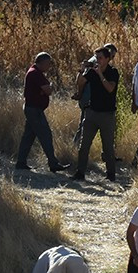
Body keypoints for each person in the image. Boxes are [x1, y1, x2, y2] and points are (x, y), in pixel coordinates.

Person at [14, 52, 70, 173]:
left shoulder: (34, 72)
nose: (49, 66)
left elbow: (45, 90)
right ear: (43, 62)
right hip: (34, 110)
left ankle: (21, 162)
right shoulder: (36, 73)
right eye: (48, 64)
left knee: (28, 137)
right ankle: (53, 163)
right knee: (46, 135)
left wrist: (45, 90)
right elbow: (48, 90)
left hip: (32, 109)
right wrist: (48, 88)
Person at [71, 46, 120, 182]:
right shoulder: (92, 72)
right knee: (84, 146)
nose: (98, 61)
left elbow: (110, 88)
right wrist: (82, 70)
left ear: (108, 59)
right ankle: (80, 172)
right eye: (96, 58)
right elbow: (81, 82)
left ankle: (111, 175)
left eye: (100, 58)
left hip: (107, 115)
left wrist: (100, 74)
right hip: (91, 113)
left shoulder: (113, 72)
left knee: (108, 148)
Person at [73, 42, 117, 150]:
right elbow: (82, 81)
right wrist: (80, 94)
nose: (112, 58)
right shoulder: (96, 63)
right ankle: (75, 148)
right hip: (89, 99)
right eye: (112, 55)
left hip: (94, 99)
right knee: (84, 127)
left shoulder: (106, 67)